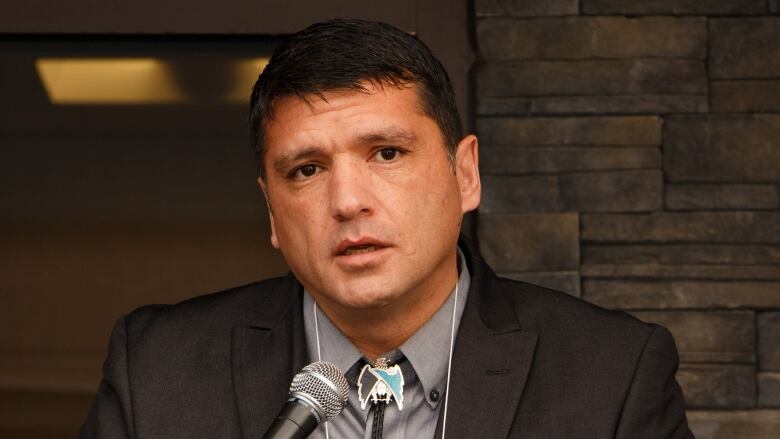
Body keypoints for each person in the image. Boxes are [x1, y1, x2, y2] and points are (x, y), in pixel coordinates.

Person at [80, 19, 693, 438]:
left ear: (466, 175)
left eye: (387, 154)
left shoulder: (612, 376)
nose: (347, 201)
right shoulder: (157, 369)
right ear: (271, 211)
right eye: (307, 169)